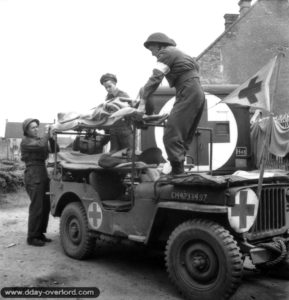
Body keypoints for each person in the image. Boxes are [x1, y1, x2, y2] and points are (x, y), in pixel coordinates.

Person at [138, 32, 205, 175]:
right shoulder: (180, 54)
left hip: (187, 91)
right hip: (194, 91)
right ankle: (178, 168)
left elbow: (156, 78)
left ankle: (177, 173)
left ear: (160, 46)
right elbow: (195, 71)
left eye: (152, 50)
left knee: (171, 134)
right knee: (181, 136)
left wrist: (143, 101)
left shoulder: (166, 53)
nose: (153, 54)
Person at [21, 119, 58, 246]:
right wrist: (47, 133)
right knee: (37, 206)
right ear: (26, 131)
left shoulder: (39, 141)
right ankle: (32, 237)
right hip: (32, 174)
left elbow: (55, 149)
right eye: (33, 128)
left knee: (45, 205)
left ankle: (40, 233)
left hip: (42, 173)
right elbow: (42, 145)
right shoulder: (25, 141)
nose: (36, 129)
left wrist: (52, 137)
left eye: (37, 127)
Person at [100, 73, 134, 153]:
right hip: (113, 130)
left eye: (109, 86)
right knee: (114, 154)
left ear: (115, 83)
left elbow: (130, 111)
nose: (108, 89)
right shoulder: (108, 97)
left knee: (129, 154)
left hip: (125, 130)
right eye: (106, 88)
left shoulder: (124, 95)